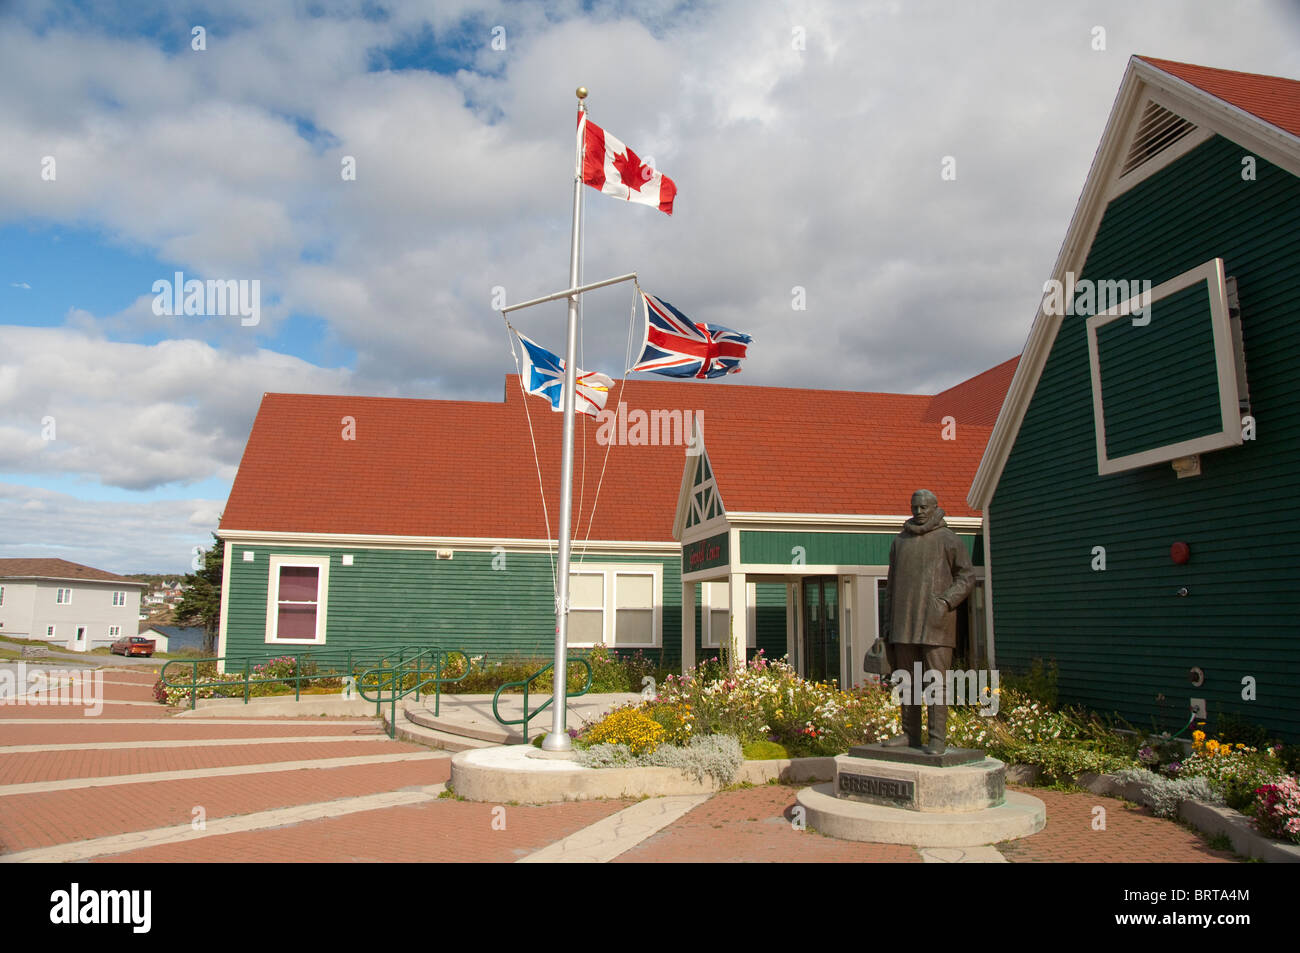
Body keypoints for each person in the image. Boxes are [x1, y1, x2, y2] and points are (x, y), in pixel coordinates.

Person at [876, 489, 975, 754]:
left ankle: (937, 737)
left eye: (923, 507)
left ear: (934, 508)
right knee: (906, 681)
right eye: (915, 507)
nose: (918, 512)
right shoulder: (900, 542)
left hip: (936, 625)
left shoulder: (949, 540)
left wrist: (944, 602)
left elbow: (966, 577)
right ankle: (910, 734)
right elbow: (892, 585)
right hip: (902, 624)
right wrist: (887, 626)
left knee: (935, 682)